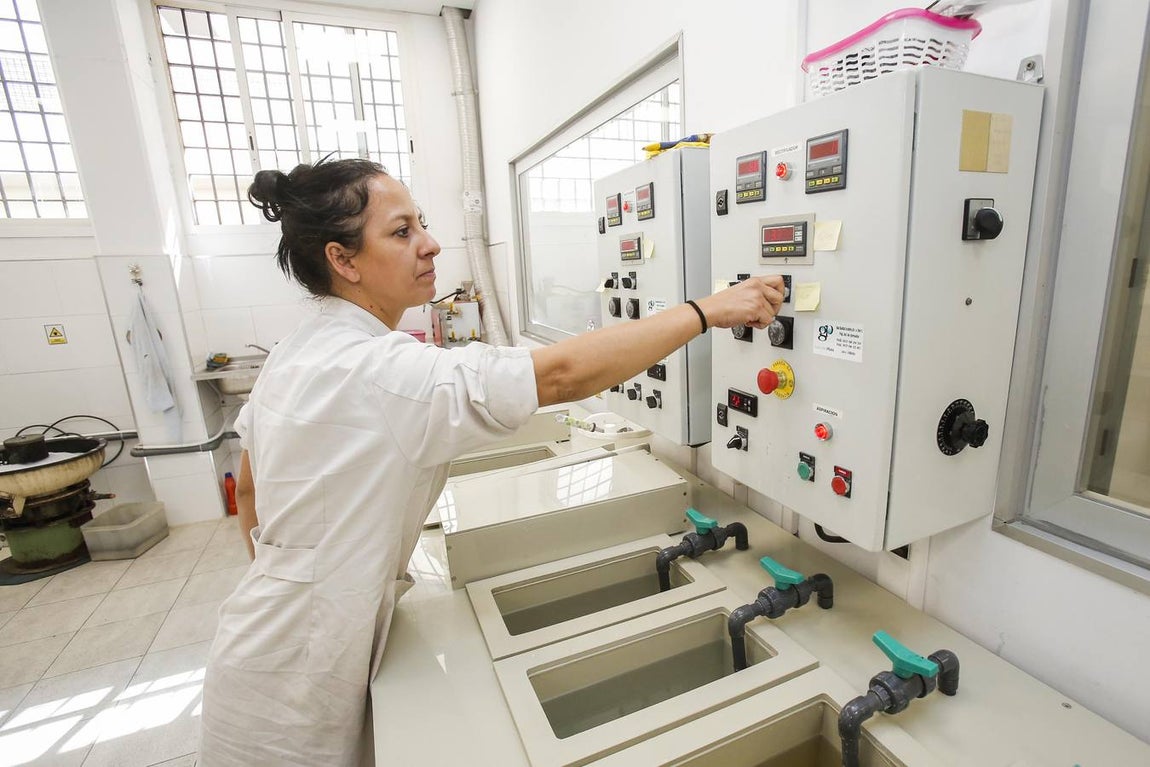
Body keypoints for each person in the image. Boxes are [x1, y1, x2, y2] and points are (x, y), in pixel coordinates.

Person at [198, 156, 784, 766]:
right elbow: (558, 375)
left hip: (265, 632)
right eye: (401, 232)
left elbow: (249, 492)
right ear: (342, 260)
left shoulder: (302, 349)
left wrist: (299, 574)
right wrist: (708, 311)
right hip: (292, 686)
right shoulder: (378, 368)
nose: (431, 244)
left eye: (420, 223)